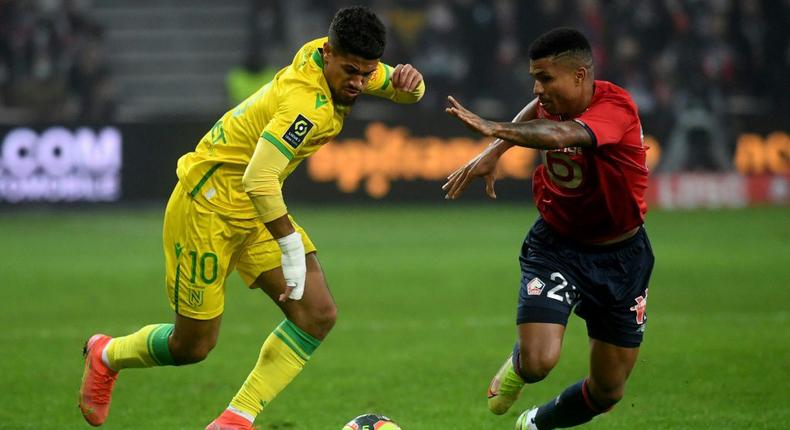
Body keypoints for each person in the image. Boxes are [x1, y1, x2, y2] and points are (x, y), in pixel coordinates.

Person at [78, 6, 425, 430]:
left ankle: (235, 419)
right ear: (328, 54)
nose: (358, 83)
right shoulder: (306, 104)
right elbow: (259, 178)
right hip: (206, 208)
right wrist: (289, 244)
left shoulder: (336, 60)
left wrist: (413, 84)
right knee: (193, 346)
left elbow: (402, 90)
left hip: (252, 209)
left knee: (317, 314)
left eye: (366, 74)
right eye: (350, 71)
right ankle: (106, 354)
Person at [443, 27, 654, 430]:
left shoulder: (616, 109)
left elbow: (561, 134)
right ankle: (521, 363)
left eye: (545, 78)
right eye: (534, 78)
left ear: (579, 75)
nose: (538, 89)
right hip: (557, 246)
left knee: (608, 391)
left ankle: (537, 423)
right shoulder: (552, 101)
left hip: (622, 258)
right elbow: (537, 113)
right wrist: (495, 151)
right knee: (539, 363)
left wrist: (495, 130)